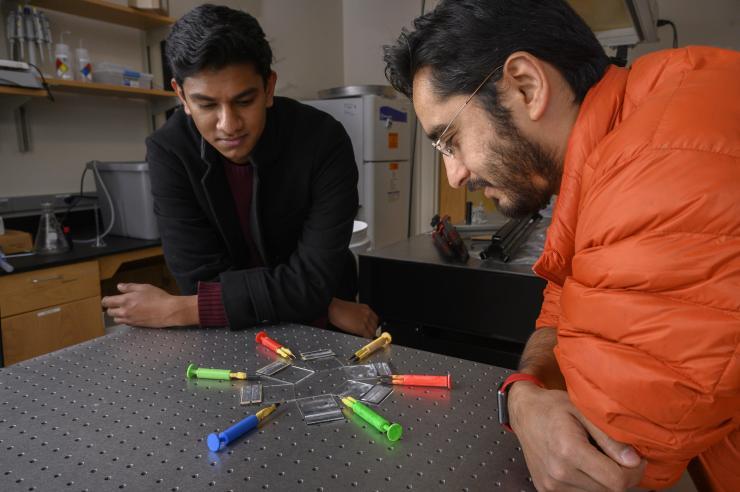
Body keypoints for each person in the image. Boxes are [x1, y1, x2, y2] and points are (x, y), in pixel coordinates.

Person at [384, 0, 739, 490]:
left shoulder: (655, 176)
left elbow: (601, 465)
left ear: (526, 85)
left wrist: (521, 404)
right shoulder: (633, 122)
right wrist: (525, 392)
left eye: (450, 139)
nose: (456, 173)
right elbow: (562, 306)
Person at [101, 4, 378, 338]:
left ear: (269, 87)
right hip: (264, 322)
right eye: (206, 105)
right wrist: (323, 302)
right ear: (181, 96)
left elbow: (313, 279)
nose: (228, 125)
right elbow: (199, 280)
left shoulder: (322, 139)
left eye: (244, 101)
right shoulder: (169, 151)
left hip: (321, 327)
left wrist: (181, 309)